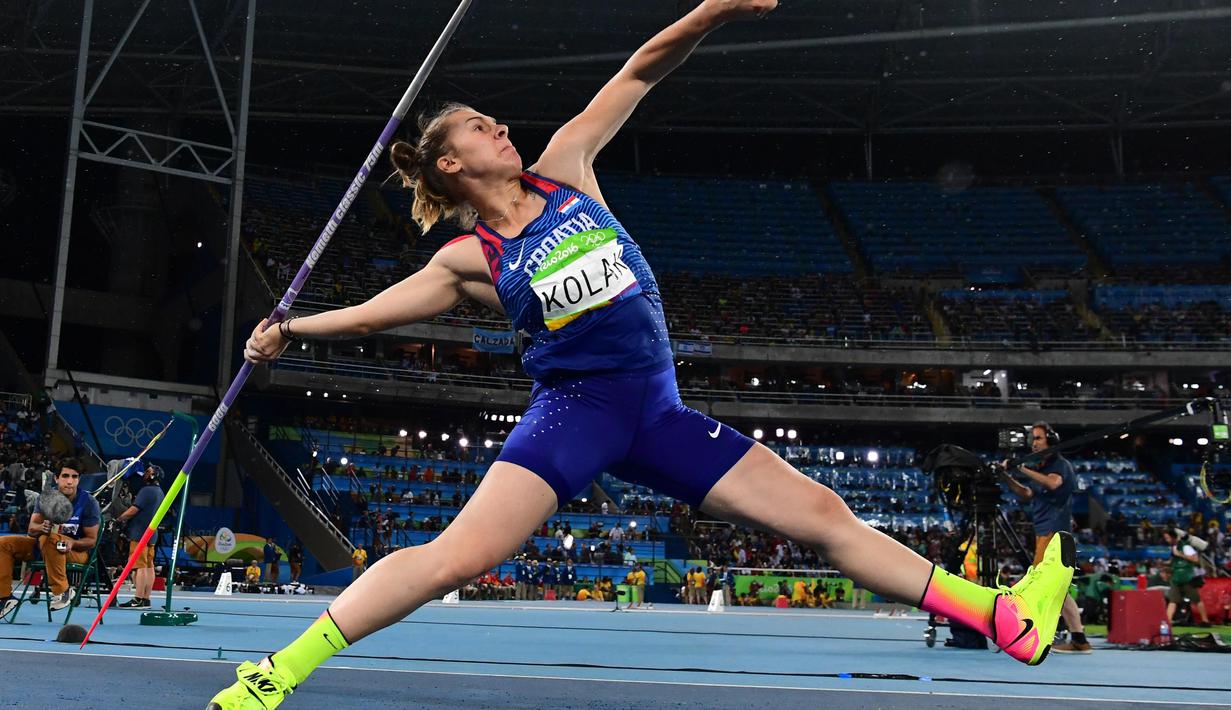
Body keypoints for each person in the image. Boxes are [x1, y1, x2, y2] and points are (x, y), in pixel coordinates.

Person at [210, 2, 1073, 706]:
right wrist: (290, 329)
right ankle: (276, 673)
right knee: (455, 560)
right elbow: (369, 316)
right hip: (573, 416)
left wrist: (711, 12)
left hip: (658, 414)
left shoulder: (565, 168)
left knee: (820, 514)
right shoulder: (471, 258)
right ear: (449, 162)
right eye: (478, 126)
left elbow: (637, 72)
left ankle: (999, 618)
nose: (498, 126)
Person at [1001, 421, 1088, 654]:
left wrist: (1022, 468)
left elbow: (1053, 482)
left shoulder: (1060, 465)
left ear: (1051, 440)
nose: (1034, 443)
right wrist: (1006, 476)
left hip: (1054, 532)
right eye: (1033, 438)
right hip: (1044, 531)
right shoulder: (1042, 466)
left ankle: (1029, 631)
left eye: (1038, 438)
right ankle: (1079, 639)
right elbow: (1027, 493)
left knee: (1039, 583)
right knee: (1058, 589)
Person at [0, 459, 99, 618]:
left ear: (79, 479)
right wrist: (41, 527)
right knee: (4, 543)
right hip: (43, 546)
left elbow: (91, 540)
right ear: (56, 478)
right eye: (65, 476)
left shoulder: (88, 502)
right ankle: (4, 597)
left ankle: (63, 591)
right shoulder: (46, 498)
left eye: (74, 477)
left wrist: (72, 542)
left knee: (52, 540)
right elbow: (32, 529)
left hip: (75, 551)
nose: (69, 481)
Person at [115, 463, 165, 608]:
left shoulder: (146, 490)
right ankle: (146, 598)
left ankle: (138, 598)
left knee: (140, 566)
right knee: (149, 566)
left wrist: (119, 518)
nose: (145, 473)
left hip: (140, 533)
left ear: (153, 475)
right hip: (152, 534)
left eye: (148, 471)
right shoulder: (160, 492)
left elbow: (133, 510)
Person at [1161, 529, 1212, 627]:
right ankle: (1168, 622)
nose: (1167, 540)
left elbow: (1195, 559)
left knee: (1196, 600)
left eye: (1168, 538)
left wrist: (1180, 554)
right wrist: (1166, 564)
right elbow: (1176, 561)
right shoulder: (1175, 547)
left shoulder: (1186, 546)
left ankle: (1205, 620)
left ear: (1173, 537)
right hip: (1176, 578)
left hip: (1187, 578)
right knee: (1173, 600)